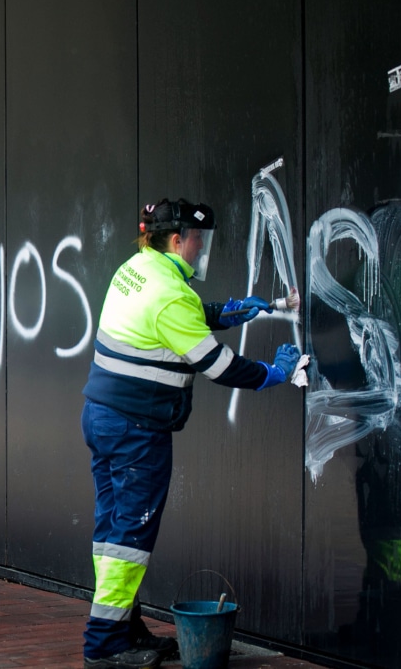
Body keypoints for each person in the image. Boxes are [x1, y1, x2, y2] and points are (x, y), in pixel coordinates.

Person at [80, 198, 302, 669]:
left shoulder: (137, 268)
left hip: (104, 417)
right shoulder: (170, 294)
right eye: (198, 239)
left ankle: (123, 627)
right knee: (129, 539)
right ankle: (103, 645)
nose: (202, 248)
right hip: (137, 428)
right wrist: (274, 374)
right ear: (177, 239)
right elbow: (220, 365)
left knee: (111, 533)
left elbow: (182, 316)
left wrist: (232, 311)